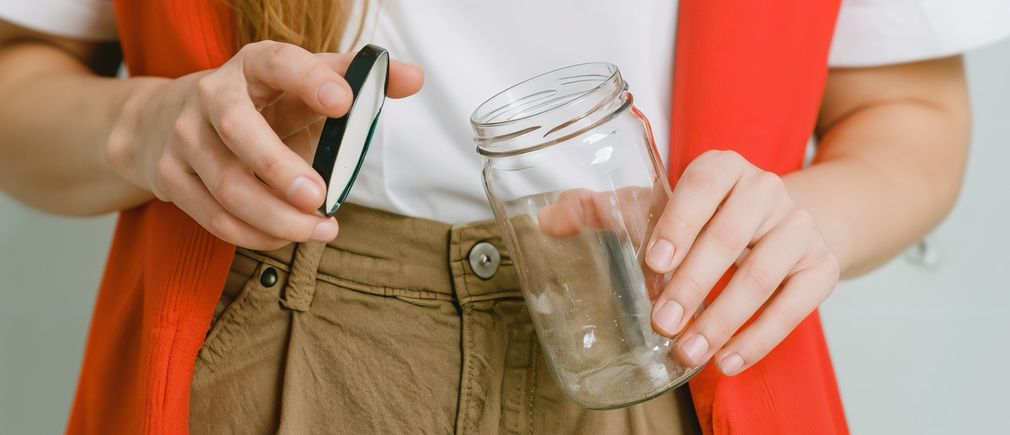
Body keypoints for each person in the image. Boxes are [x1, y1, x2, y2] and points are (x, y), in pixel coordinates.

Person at [0, 0, 1007, 434]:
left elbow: (909, 114)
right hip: (291, 347)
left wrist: (802, 218)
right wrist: (144, 125)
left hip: (666, 343)